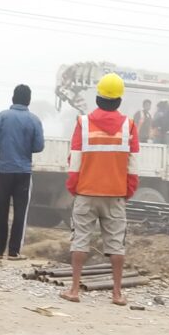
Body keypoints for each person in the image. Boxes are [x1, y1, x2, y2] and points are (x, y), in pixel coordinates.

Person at [61, 72, 139, 306]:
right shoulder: (129, 126)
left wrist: (74, 188)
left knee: (80, 240)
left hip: (86, 192)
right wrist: (127, 191)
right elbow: (133, 165)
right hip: (115, 194)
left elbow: (75, 161)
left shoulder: (83, 124)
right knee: (116, 243)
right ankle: (116, 294)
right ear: (119, 100)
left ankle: (74, 290)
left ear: (98, 98)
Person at [0, 83, 45, 260]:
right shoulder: (34, 120)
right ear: (28, 100)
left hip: (4, 170)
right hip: (24, 173)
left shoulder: (2, 117)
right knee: (20, 212)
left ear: (13, 98)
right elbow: (38, 146)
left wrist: (5, 152)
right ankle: (14, 252)